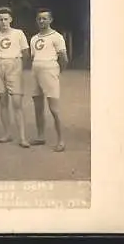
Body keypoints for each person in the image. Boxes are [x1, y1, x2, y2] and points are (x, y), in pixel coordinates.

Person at [30, 8, 69, 152]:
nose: (41, 21)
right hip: (36, 71)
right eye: (39, 19)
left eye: (44, 18)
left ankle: (61, 140)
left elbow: (64, 58)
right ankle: (40, 136)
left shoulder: (56, 37)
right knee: (38, 106)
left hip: (50, 71)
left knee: (54, 108)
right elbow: (34, 56)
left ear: (50, 20)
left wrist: (58, 71)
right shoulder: (34, 38)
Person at [0, 6, 30, 148]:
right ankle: (7, 133)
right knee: (3, 101)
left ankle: (22, 137)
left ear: (11, 19)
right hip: (0, 65)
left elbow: (25, 52)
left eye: (6, 19)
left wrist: (19, 67)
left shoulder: (18, 33)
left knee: (17, 103)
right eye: (0, 19)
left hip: (15, 64)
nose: (3, 22)